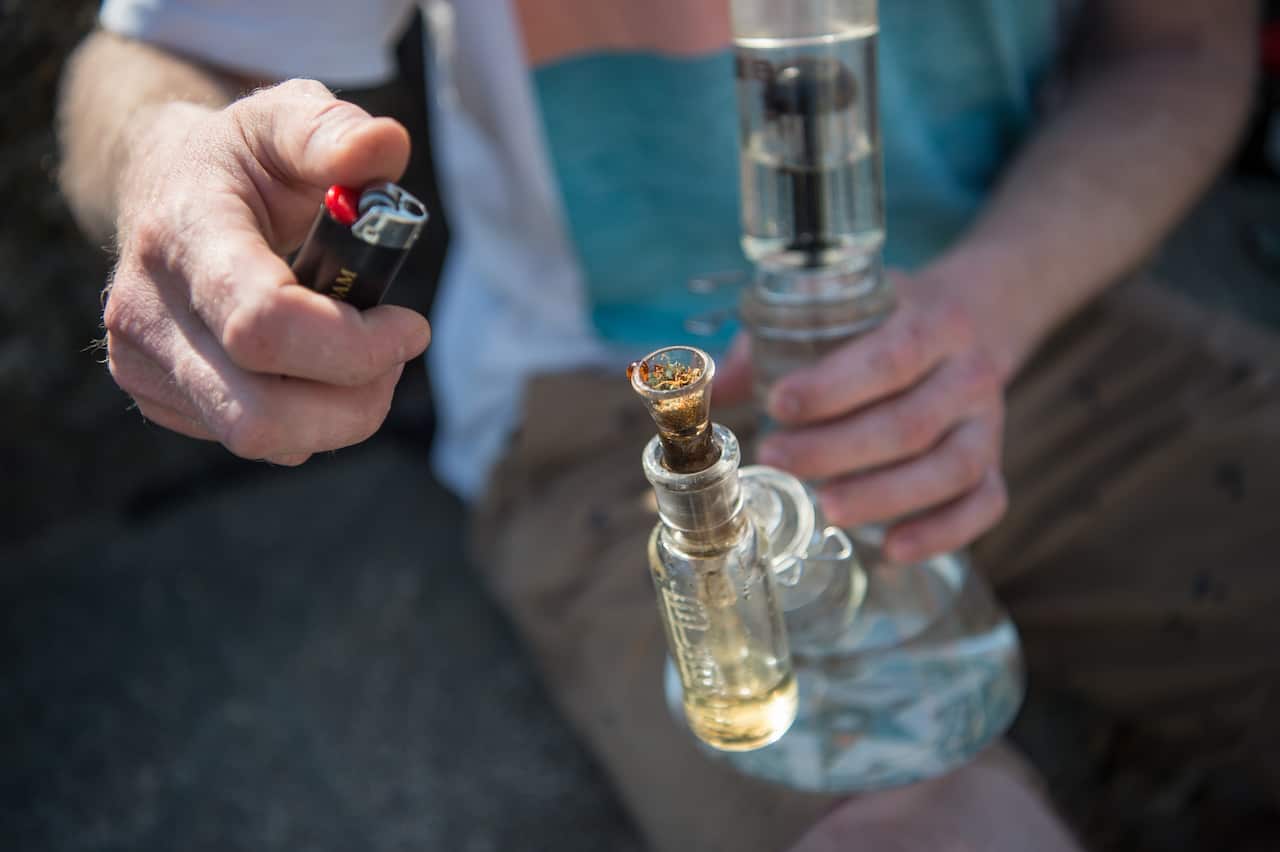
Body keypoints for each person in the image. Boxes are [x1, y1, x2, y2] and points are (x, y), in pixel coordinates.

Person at [58, 1, 1277, 849]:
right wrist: (171, 167)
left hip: (1019, 309)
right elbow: (161, 57)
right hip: (593, 399)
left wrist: (993, 302)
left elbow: (1177, 40)